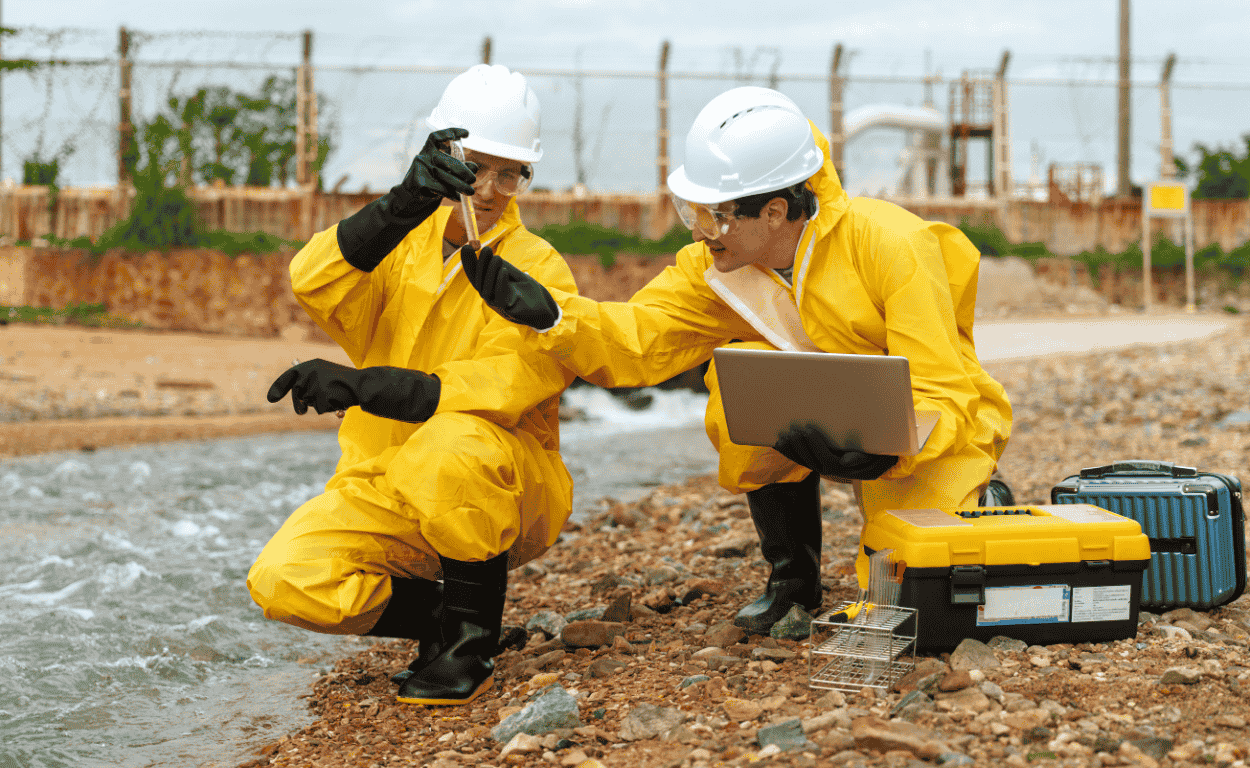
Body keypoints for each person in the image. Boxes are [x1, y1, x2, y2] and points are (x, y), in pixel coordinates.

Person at [459, 86, 1013, 636]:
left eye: (716, 215)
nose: (702, 230)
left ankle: (983, 495)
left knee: (909, 597)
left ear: (774, 211)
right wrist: (550, 315)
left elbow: (943, 391)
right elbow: (639, 338)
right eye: (693, 211)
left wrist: (882, 456)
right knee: (741, 387)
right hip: (831, 415)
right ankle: (793, 580)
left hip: (924, 430)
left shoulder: (892, 244)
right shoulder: (717, 268)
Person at [247, 64, 578, 706]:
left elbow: (499, 387)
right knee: (284, 579)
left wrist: (363, 386)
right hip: (386, 483)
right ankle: (443, 614)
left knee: (452, 441)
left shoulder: (538, 267)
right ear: (441, 154)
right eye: (474, 165)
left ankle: (469, 645)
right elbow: (312, 280)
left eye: (509, 172)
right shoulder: (399, 242)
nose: (489, 187)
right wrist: (401, 204)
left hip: (505, 488)